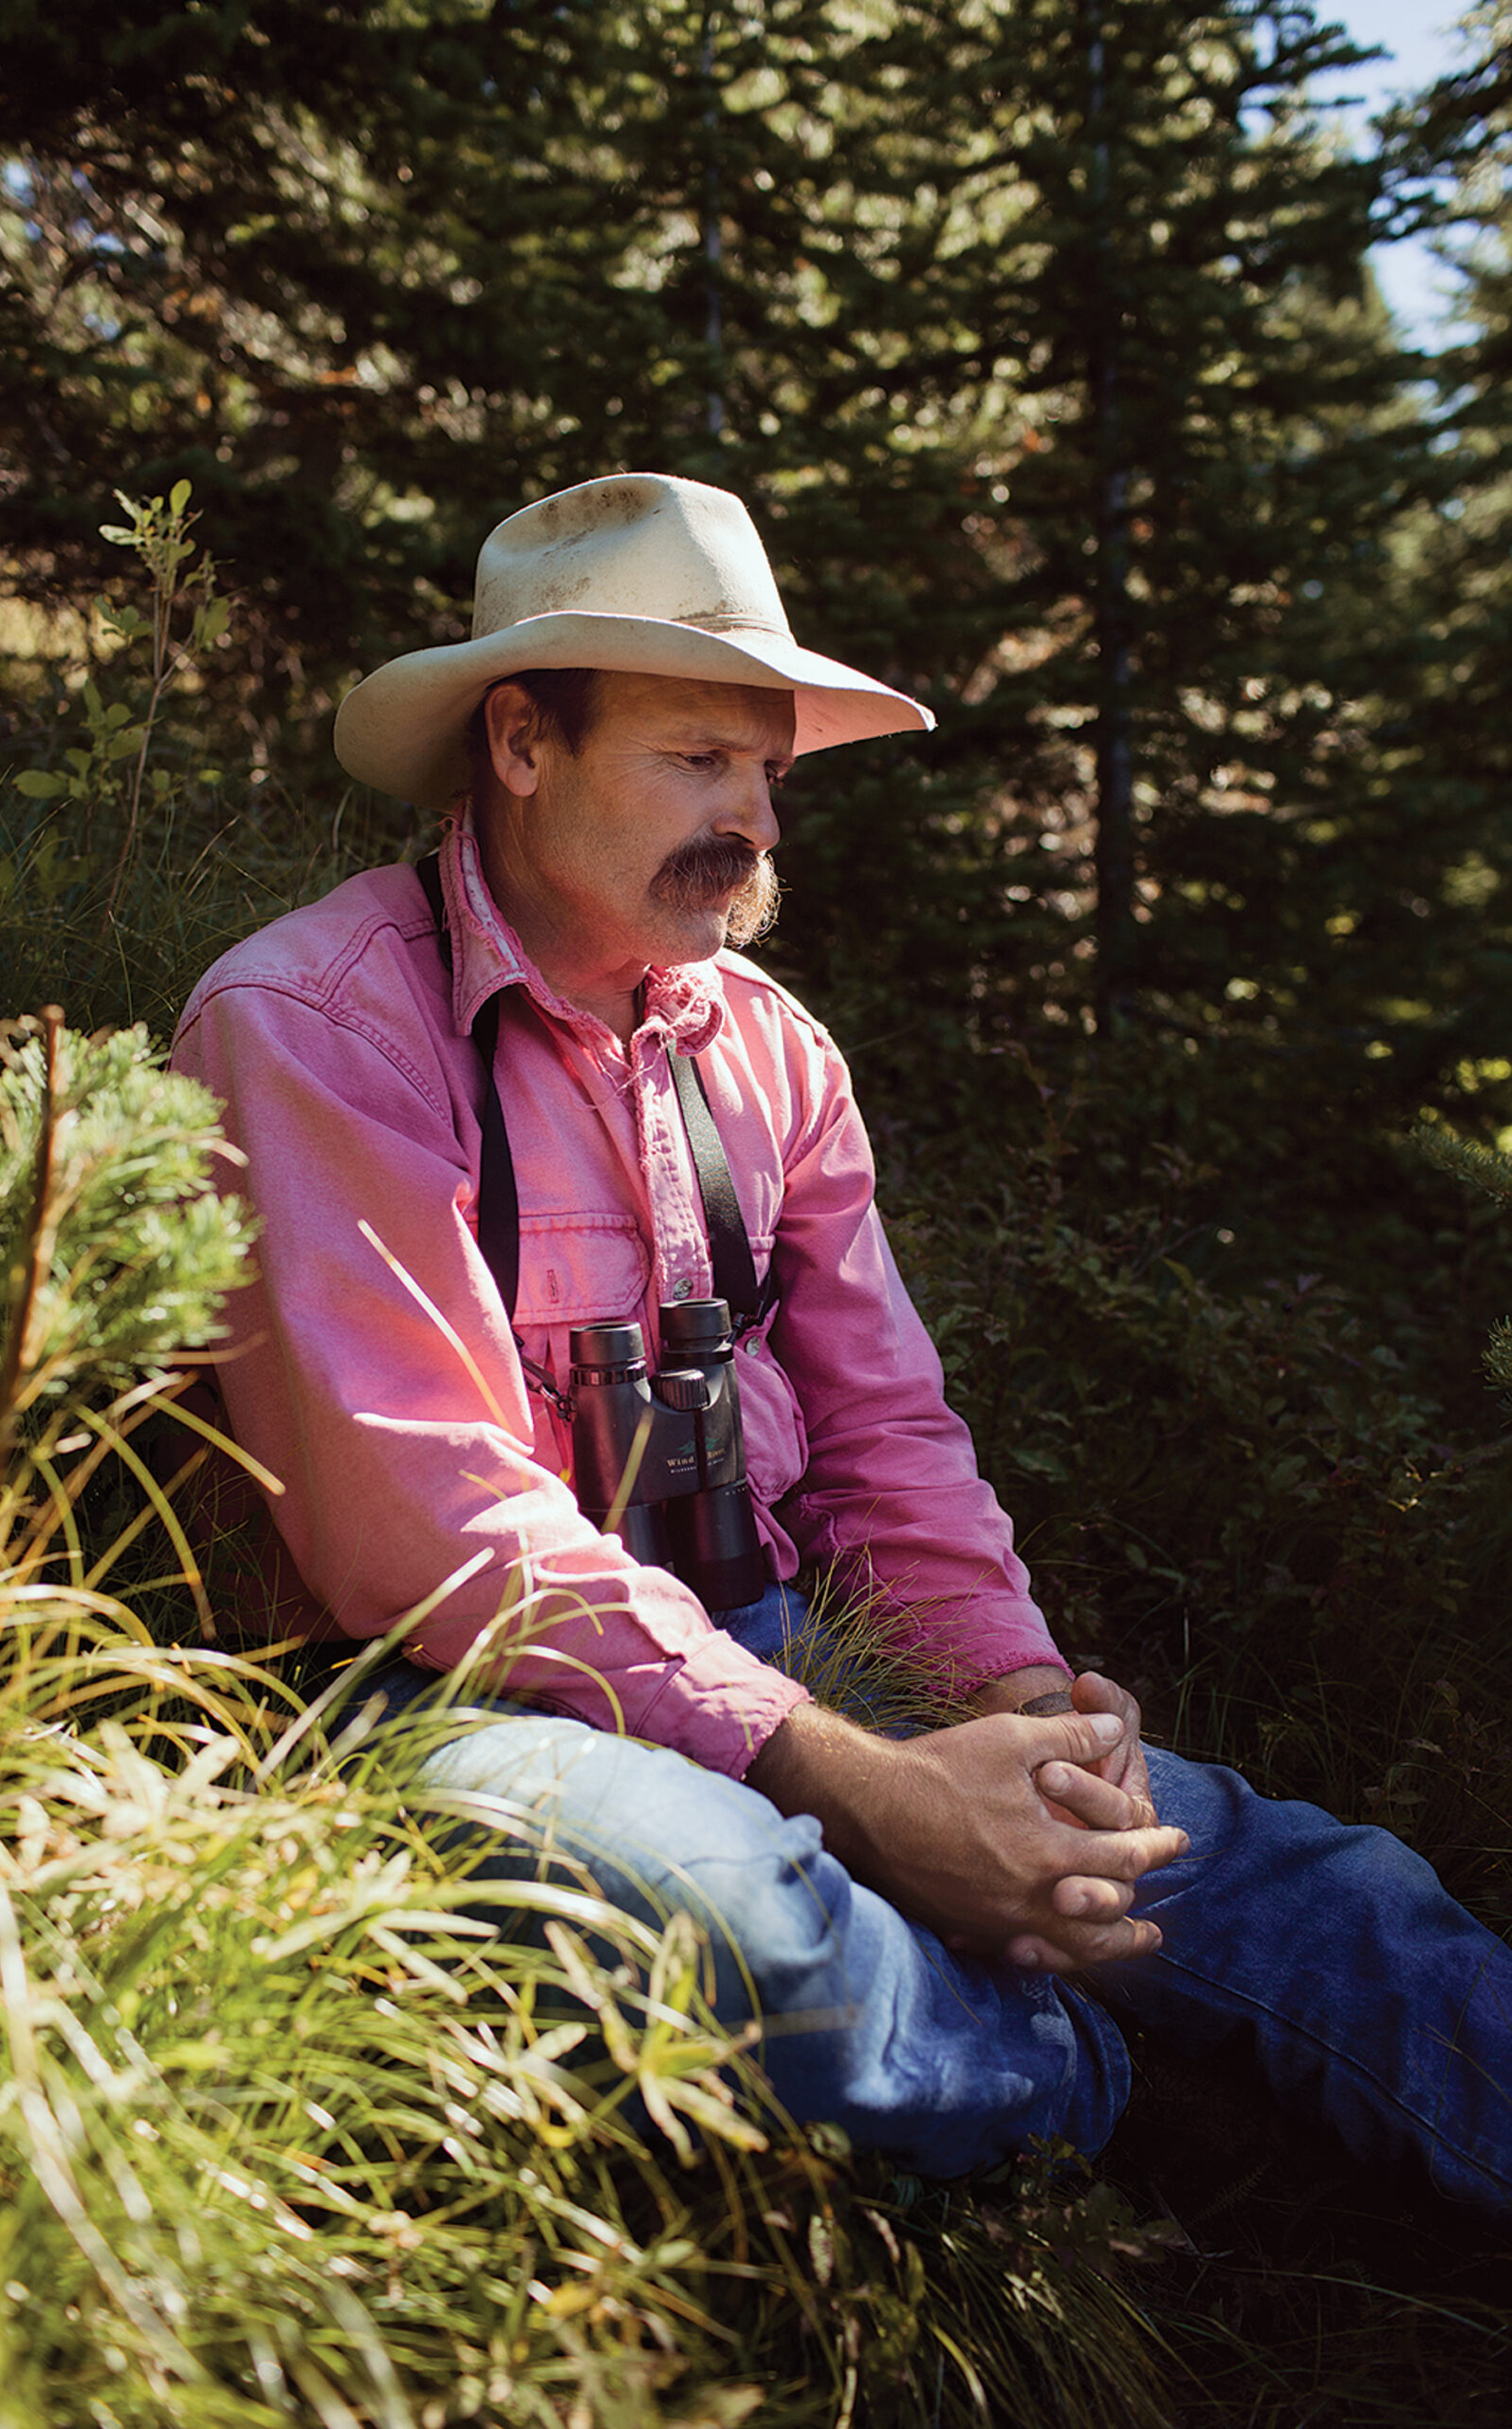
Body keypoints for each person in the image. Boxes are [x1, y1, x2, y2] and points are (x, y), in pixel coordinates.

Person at [173, 473, 1512, 2211]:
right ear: (520, 742)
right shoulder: (314, 1028)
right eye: (699, 761)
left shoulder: (774, 1055)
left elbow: (890, 1437)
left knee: (1301, 1880)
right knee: (741, 1933)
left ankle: (1083, 2035)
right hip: (453, 1700)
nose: (759, 823)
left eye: (773, 775)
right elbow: (427, 1530)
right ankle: (1100, 2077)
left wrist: (1018, 1707)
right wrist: (861, 1788)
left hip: (781, 1646)